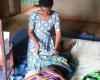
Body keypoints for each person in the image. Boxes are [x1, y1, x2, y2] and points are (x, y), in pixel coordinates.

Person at [26, 0, 61, 77]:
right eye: (44, 10)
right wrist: (36, 44)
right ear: (40, 7)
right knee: (33, 66)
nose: (46, 12)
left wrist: (56, 47)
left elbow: (58, 33)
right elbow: (30, 32)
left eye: (48, 10)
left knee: (47, 66)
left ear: (51, 7)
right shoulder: (34, 15)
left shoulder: (55, 15)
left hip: (47, 41)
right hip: (35, 41)